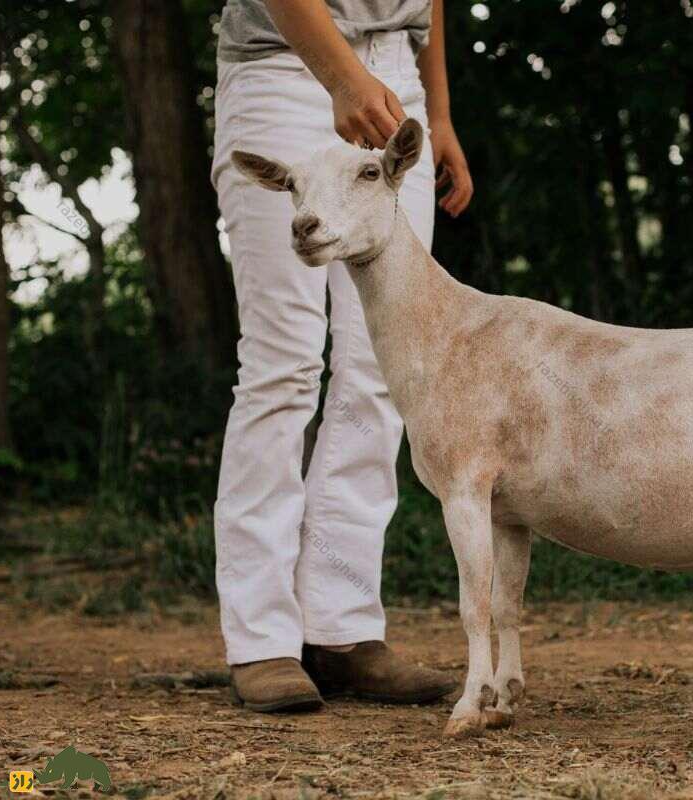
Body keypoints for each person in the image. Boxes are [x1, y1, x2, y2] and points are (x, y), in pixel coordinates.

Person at [210, 0, 472, 712]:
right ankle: (261, 638)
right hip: (284, 65)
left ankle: (341, 628)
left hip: (395, 78)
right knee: (283, 362)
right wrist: (341, 77)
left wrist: (437, 109)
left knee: (377, 372)